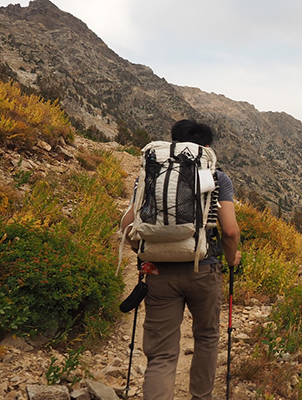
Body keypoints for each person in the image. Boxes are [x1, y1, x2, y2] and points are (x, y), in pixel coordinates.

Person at [121, 119, 241, 400]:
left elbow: (127, 224)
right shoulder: (218, 178)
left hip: (160, 274)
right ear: (207, 148)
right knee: (207, 338)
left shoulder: (149, 176)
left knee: (161, 353)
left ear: (173, 143)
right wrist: (231, 256)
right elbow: (231, 230)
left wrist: (143, 250)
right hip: (204, 269)